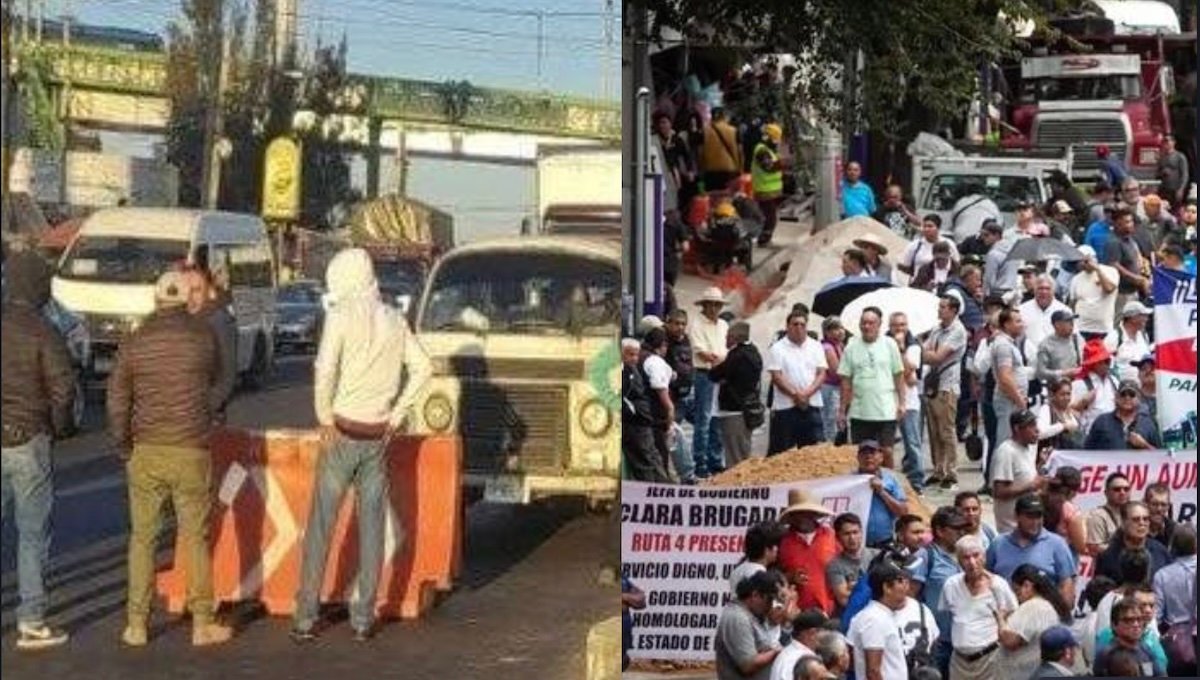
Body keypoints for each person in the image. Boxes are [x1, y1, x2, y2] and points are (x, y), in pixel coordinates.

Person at [290, 249, 433, 643]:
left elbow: (325, 369)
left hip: (342, 431)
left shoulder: (339, 316)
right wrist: (397, 415)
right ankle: (363, 618)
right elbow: (424, 368)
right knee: (372, 529)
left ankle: (305, 617)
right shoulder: (394, 319)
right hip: (377, 436)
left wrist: (323, 417)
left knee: (321, 527)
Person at [107, 271, 232, 648]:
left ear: (156, 299)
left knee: (143, 538)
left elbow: (117, 399)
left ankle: (136, 624)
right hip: (191, 448)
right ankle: (203, 623)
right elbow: (221, 380)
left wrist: (123, 444)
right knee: (195, 536)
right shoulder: (202, 336)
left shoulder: (135, 340)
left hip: (146, 448)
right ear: (183, 301)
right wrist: (203, 413)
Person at [1, 251, 76, 650]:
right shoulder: (45, 332)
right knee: (32, 534)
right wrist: (58, 428)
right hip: (29, 439)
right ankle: (30, 620)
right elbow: (63, 388)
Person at [938, 534, 1019, 680]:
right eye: (966, 557)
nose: (972, 562)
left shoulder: (999, 586)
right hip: (959, 662)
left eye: (976, 555)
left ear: (985, 557)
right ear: (958, 561)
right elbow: (949, 616)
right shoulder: (951, 585)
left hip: (990, 660)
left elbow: (1012, 616)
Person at [837, 308, 905, 470]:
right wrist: (841, 410)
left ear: (879, 325)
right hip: (860, 410)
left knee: (886, 451)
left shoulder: (889, 344)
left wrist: (902, 402)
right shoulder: (851, 347)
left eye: (871, 323)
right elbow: (846, 381)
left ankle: (889, 482)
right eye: (863, 323)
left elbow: (898, 375)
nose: (866, 326)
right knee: (862, 454)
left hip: (885, 409)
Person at [987, 495, 1077, 605]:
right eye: (1029, 517)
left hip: (1044, 615)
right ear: (1017, 516)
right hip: (1006, 614)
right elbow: (986, 579)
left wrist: (1060, 613)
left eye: (1038, 516)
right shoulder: (998, 544)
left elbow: (1066, 584)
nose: (1035, 522)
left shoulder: (1057, 544)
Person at [910, 507, 968, 677]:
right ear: (940, 531)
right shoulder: (925, 556)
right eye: (956, 529)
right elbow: (911, 595)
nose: (961, 532)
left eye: (963, 528)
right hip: (937, 640)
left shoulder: (965, 554)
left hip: (962, 638)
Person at [922, 293, 969, 490]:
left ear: (953, 310)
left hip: (947, 385)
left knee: (946, 430)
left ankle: (951, 471)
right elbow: (926, 351)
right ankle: (937, 469)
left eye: (943, 307)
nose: (939, 310)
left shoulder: (958, 331)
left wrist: (925, 353)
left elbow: (936, 356)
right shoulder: (936, 329)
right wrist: (926, 353)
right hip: (933, 384)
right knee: (933, 430)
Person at [997, 564, 1074, 680]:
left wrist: (1000, 619)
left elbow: (1010, 641)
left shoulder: (1032, 606)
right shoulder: (1049, 606)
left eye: (1017, 591)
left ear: (1027, 586)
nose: (1017, 597)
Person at [767, 311, 828, 455]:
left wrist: (806, 394)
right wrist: (796, 395)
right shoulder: (778, 348)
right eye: (795, 324)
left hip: (811, 405)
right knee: (783, 452)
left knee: (814, 451)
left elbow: (822, 373)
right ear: (787, 326)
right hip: (786, 408)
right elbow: (777, 376)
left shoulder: (816, 346)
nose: (799, 327)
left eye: (802, 324)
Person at [183, 264, 237, 422]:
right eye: (186, 290)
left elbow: (227, 375)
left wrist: (205, 408)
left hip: (206, 418)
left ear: (208, 291)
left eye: (197, 290)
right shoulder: (177, 320)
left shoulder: (218, 320)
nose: (190, 297)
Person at [711, 321, 765, 466]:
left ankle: (737, 487)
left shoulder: (736, 356)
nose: (725, 340)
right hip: (748, 409)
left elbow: (715, 374)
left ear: (735, 337)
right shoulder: (754, 353)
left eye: (727, 336)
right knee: (743, 449)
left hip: (733, 411)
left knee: (735, 457)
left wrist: (717, 364)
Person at [847, 561, 912, 680]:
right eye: (900, 582)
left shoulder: (880, 615)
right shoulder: (874, 619)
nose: (906, 587)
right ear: (886, 587)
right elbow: (873, 671)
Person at [778, 489, 839, 615]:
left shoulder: (831, 536)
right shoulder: (782, 541)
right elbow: (773, 577)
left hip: (829, 611)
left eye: (806, 512)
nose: (802, 517)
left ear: (814, 513)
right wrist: (791, 577)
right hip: (794, 614)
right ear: (792, 516)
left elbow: (844, 566)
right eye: (798, 513)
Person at [690, 287, 730, 478]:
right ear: (704, 305)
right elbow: (701, 352)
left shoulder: (723, 324)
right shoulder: (697, 323)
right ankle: (700, 462)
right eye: (711, 304)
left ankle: (715, 460)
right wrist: (722, 361)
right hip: (705, 373)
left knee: (717, 419)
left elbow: (727, 348)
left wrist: (723, 362)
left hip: (720, 373)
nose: (714, 307)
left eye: (717, 304)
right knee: (704, 419)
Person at [716, 570, 784, 680]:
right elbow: (748, 664)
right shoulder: (738, 618)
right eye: (769, 600)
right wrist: (776, 652)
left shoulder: (751, 615)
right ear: (755, 595)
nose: (770, 606)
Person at [622, 338, 672, 483]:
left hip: (642, 421)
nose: (634, 358)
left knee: (652, 458)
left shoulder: (632, 370)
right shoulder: (620, 372)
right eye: (630, 354)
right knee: (645, 462)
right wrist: (633, 411)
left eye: (636, 355)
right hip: (634, 423)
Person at [991, 410, 1046, 533]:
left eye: (1036, 425)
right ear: (1017, 429)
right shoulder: (1006, 451)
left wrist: (1040, 464)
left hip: (1028, 525)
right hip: (1012, 529)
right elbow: (999, 491)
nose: (1037, 430)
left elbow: (1024, 477)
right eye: (1031, 426)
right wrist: (1031, 486)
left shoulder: (1027, 449)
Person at [889, 312, 926, 494]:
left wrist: (901, 349)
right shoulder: (884, 344)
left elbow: (911, 373)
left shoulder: (913, 347)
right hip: (888, 400)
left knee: (912, 442)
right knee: (887, 443)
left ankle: (917, 481)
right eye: (896, 325)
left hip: (909, 402)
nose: (899, 329)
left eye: (903, 325)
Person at [1153, 525, 1197, 677]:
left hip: (1176, 643)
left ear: (1173, 545)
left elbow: (1156, 615)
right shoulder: (1161, 575)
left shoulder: (1162, 575)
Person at [1094, 500, 1172, 584]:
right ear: (1123, 523)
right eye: (1136, 519)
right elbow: (1100, 590)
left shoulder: (1161, 552)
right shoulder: (1108, 556)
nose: (1142, 523)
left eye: (1145, 519)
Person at [990, 308, 1034, 453]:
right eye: (1017, 321)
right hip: (1009, 400)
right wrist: (1019, 399)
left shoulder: (1009, 343)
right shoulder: (1003, 345)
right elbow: (1005, 377)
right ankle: (1000, 474)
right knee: (1005, 441)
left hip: (1013, 399)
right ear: (1007, 324)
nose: (1022, 324)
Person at [1093, 597, 1166, 676]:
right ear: (1114, 625)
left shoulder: (1147, 649)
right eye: (1128, 620)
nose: (1136, 624)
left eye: (1139, 619)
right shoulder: (1106, 655)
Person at [665, 309, 697, 484]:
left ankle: (690, 472)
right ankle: (675, 475)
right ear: (668, 323)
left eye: (683, 324)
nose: (680, 327)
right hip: (671, 398)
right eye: (676, 323)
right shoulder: (664, 341)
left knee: (703, 427)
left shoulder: (685, 340)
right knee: (671, 437)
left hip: (687, 394)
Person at [1084, 379, 1161, 451]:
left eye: (1132, 394)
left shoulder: (1148, 423)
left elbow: (1160, 456)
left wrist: (1144, 445)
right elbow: (1086, 452)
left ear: (1139, 398)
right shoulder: (1102, 422)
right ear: (1116, 397)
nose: (1127, 398)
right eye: (1123, 394)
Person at [826, 513, 878, 617]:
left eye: (855, 532)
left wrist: (855, 587)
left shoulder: (877, 555)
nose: (852, 538)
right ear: (838, 537)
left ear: (861, 533)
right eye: (846, 534)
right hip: (851, 617)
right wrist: (875, 588)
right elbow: (844, 600)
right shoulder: (834, 565)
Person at [640, 328, 677, 474]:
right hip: (656, 418)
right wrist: (670, 412)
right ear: (661, 345)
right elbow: (659, 387)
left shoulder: (640, 357)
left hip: (643, 416)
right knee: (660, 458)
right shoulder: (655, 361)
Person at [1068, 245, 1119, 341]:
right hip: (1081, 328)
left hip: (1103, 329)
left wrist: (1097, 270)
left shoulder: (1110, 271)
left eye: (1085, 260)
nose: (1081, 264)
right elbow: (1072, 303)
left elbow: (1109, 289)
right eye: (1079, 261)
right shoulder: (1076, 279)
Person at [1070, 339, 1119, 438]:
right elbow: (1068, 411)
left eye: (1107, 361)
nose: (1106, 364)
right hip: (1091, 436)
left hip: (1114, 432)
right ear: (1092, 363)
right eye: (1102, 361)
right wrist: (1082, 402)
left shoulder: (1114, 381)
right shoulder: (1080, 384)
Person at [1102, 208, 1149, 311]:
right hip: (1121, 293)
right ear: (1117, 223)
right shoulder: (1113, 242)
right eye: (1127, 222)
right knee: (1120, 321)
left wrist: (1144, 265)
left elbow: (1137, 257)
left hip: (1134, 290)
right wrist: (1137, 279)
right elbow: (1114, 266)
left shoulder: (1131, 240)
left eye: (1131, 221)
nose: (1131, 224)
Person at [770, 609, 834, 680]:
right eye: (824, 631)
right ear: (812, 633)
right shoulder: (803, 659)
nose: (828, 635)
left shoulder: (789, 651)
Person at [753, 123, 788, 246]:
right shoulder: (761, 150)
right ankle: (763, 240)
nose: (776, 143)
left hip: (770, 191)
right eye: (775, 140)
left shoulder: (768, 150)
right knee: (770, 218)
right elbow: (769, 167)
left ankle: (765, 239)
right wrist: (785, 163)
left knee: (770, 217)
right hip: (764, 190)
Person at [731, 521, 788, 595]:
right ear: (767, 550)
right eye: (776, 546)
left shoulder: (739, 569)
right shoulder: (761, 577)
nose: (778, 550)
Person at [1041, 466, 1087, 556]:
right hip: (1062, 557)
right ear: (1074, 491)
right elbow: (1080, 546)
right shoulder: (1071, 511)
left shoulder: (1037, 500)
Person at [1104, 301, 1152, 383]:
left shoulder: (1144, 336)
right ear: (1133, 318)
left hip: (1143, 388)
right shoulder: (1114, 337)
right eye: (1143, 316)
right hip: (1124, 391)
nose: (1146, 319)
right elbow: (1106, 367)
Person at [1085, 472, 1132, 556]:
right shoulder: (1098, 516)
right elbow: (1094, 548)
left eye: (1126, 489)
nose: (1122, 492)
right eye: (1117, 489)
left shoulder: (1133, 513)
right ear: (1106, 493)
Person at [1035, 312, 1082, 392]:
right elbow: (1040, 373)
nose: (1072, 325)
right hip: (1057, 389)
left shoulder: (1076, 339)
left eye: (1072, 322)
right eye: (1068, 322)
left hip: (1076, 386)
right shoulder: (1046, 345)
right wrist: (1063, 373)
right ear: (1057, 325)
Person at [1020, 276, 1072, 350]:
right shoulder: (1022, 310)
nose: (1044, 292)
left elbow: (1072, 337)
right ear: (1034, 290)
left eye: (1047, 289)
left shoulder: (1065, 311)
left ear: (1053, 291)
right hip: (1029, 357)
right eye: (1040, 288)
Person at [701, 107, 743, 193]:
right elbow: (740, 151)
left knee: (713, 199)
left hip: (710, 171)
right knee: (729, 197)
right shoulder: (733, 131)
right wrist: (740, 169)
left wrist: (701, 169)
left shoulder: (704, 131)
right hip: (730, 170)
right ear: (724, 116)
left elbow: (700, 152)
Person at [1036, 378, 1083, 452]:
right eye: (1062, 394)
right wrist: (1063, 426)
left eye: (1068, 394)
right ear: (1053, 395)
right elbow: (1040, 433)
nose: (1066, 398)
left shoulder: (1071, 414)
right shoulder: (1046, 409)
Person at [819, 317, 846, 444]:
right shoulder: (827, 347)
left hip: (837, 389)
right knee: (831, 422)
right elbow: (837, 372)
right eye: (835, 328)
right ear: (827, 332)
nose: (840, 331)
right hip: (830, 390)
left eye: (841, 328)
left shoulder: (839, 345)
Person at [1156, 133, 1189, 206]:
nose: (1166, 143)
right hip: (1164, 189)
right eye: (1164, 141)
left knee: (1176, 210)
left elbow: (1185, 174)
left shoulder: (1180, 156)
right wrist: (1162, 173)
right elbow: (1156, 174)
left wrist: (1181, 189)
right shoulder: (1161, 157)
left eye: (1168, 140)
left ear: (1173, 142)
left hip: (1175, 189)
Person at [622, 577, 647, 671]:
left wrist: (624, 597)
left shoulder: (624, 579)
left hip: (625, 627)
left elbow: (641, 600)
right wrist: (629, 599)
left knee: (624, 660)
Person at [1142, 483, 1177, 549]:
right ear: (1145, 503)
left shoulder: (1175, 531)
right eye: (1154, 504)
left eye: (1163, 505)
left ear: (1168, 506)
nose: (1159, 509)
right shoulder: (1134, 530)